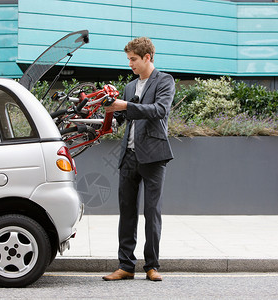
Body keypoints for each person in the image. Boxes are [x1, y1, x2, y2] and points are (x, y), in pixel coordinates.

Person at [103, 37, 175, 282]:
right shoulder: (129, 87)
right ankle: (126, 266)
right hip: (129, 156)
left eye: (133, 59)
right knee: (127, 213)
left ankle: (152, 266)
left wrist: (124, 106)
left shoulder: (165, 80)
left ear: (147, 57)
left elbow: (159, 110)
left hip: (154, 157)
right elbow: (124, 119)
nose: (130, 64)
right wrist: (107, 117)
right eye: (128, 60)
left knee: (152, 212)